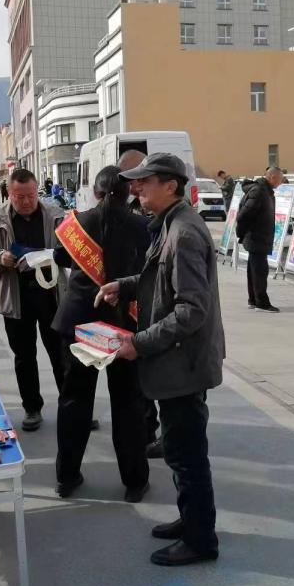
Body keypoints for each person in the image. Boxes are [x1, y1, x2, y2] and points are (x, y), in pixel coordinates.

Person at [97, 153, 225, 567]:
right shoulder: (170, 223)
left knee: (187, 456)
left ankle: (200, 540)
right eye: (135, 182)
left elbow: (191, 310)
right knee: (180, 450)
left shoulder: (183, 233)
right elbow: (160, 279)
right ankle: (192, 520)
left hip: (183, 365)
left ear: (170, 185)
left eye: (145, 181)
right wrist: (124, 286)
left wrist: (139, 343)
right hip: (176, 362)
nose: (136, 188)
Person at [53, 166, 151, 502]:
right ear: (129, 193)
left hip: (80, 323)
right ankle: (134, 482)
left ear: (95, 192)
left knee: (74, 401)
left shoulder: (76, 224)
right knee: (128, 404)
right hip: (124, 324)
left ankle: (67, 477)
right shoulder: (144, 226)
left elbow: (59, 255)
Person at [0, 168, 67, 431]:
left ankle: (72, 406)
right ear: (9, 193)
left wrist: (57, 255)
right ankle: (32, 407)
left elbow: (71, 250)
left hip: (52, 295)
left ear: (36, 190)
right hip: (17, 296)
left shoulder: (56, 215)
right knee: (24, 356)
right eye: (19, 197)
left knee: (61, 355)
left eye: (30, 195)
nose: (26, 201)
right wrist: (0, 258)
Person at [116, 150, 160, 457]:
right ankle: (148, 430)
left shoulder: (166, 219)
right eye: (130, 179)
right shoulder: (130, 207)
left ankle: (158, 433)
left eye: (139, 178)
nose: (135, 184)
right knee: (141, 375)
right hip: (135, 298)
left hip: (155, 304)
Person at [235, 167, 283, 312]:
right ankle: (261, 303)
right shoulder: (259, 191)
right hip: (256, 237)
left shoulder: (265, 191)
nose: (281, 182)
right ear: (273, 177)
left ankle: (254, 300)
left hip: (259, 237)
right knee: (260, 272)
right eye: (280, 179)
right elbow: (244, 215)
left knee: (255, 271)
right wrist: (242, 232)